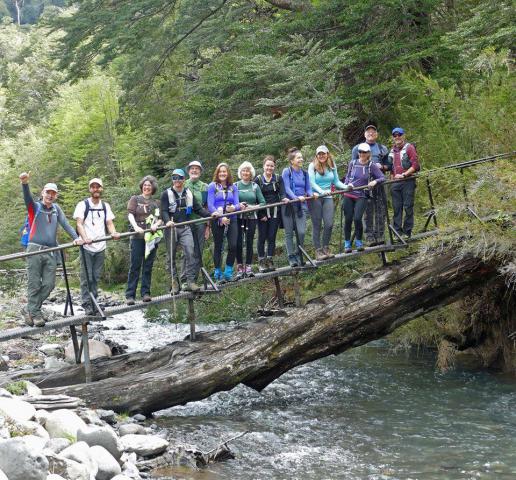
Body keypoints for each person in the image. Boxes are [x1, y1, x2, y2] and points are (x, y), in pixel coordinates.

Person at [19, 172, 83, 327]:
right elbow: (27, 199)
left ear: (56, 196)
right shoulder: (35, 207)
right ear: (43, 193)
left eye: (53, 193)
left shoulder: (56, 209)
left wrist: (76, 238)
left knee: (49, 284)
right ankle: (35, 313)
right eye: (48, 192)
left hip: (50, 251)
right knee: (34, 284)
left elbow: (66, 224)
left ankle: (29, 309)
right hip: (34, 249)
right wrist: (25, 183)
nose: (50, 195)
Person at [161, 168, 213, 293]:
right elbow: (163, 210)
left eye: (179, 178)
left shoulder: (188, 192)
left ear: (184, 179)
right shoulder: (166, 194)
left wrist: (211, 215)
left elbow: (198, 209)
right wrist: (168, 221)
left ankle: (190, 281)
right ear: (172, 180)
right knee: (171, 256)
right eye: (174, 178)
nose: (177, 180)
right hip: (171, 229)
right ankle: (174, 283)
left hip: (185, 228)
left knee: (190, 252)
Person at [74, 178, 120, 316]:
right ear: (90, 189)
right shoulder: (83, 205)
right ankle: (87, 303)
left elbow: (109, 223)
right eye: (93, 187)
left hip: (101, 246)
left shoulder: (105, 206)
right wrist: (85, 238)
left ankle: (94, 302)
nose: (95, 189)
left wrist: (113, 233)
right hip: (87, 247)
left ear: (101, 189)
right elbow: (79, 223)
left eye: (98, 187)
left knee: (96, 276)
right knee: (86, 277)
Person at [125, 175, 162, 305]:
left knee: (148, 266)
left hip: (151, 238)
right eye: (145, 185)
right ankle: (130, 295)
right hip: (137, 237)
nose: (147, 187)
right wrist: (135, 227)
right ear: (142, 186)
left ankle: (145, 293)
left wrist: (155, 225)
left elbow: (160, 217)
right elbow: (130, 214)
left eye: (149, 185)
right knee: (135, 265)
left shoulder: (156, 203)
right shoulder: (135, 199)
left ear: (153, 188)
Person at [342, 143, 385, 253]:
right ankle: (347, 244)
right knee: (348, 219)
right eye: (360, 152)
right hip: (349, 193)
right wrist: (347, 185)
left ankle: (359, 242)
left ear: (368, 153)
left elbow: (382, 177)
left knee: (357, 218)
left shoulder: (371, 165)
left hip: (362, 195)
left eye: (364, 152)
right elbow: (348, 176)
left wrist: (374, 181)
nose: (362, 154)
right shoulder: (353, 163)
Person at [351, 125, 390, 246]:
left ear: (376, 134)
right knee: (367, 211)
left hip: (379, 182)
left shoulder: (382, 148)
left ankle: (380, 235)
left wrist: (381, 167)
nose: (371, 133)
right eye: (368, 132)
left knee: (381, 209)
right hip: (364, 185)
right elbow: (353, 166)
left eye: (373, 132)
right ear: (364, 134)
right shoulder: (357, 148)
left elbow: (388, 166)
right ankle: (369, 237)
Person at [308, 145, 347, 260]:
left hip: (328, 197)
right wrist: (321, 191)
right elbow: (312, 182)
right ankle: (318, 251)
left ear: (327, 154)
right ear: (316, 155)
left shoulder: (332, 165)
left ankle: (326, 247)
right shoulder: (312, 166)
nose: (321, 156)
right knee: (317, 224)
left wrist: (346, 187)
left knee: (329, 224)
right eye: (319, 154)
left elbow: (336, 182)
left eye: (323, 153)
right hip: (315, 197)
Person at [207, 163, 242, 282]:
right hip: (218, 219)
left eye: (224, 171)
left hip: (232, 219)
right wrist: (220, 217)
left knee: (233, 245)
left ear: (228, 173)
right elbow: (210, 205)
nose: (222, 174)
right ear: (217, 173)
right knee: (218, 246)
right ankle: (218, 273)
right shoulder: (212, 186)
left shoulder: (233, 187)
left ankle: (228, 272)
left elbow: (238, 204)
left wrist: (234, 208)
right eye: (220, 172)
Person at [281, 148, 316, 267]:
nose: (301, 159)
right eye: (298, 158)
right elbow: (286, 188)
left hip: (301, 206)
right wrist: (296, 197)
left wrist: (312, 195)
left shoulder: (305, 173)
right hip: (289, 206)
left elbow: (308, 188)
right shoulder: (287, 171)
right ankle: (291, 257)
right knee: (289, 233)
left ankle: (298, 253)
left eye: (301, 157)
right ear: (292, 161)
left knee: (301, 232)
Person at [254, 155, 288, 272]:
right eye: (267, 165)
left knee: (272, 236)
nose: (269, 168)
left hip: (275, 211)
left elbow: (282, 192)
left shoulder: (278, 178)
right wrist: (260, 214)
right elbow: (255, 198)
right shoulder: (258, 179)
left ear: (274, 167)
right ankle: (261, 261)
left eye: (272, 166)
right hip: (262, 212)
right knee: (262, 236)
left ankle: (270, 259)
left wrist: (284, 198)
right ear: (263, 166)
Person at [387, 127, 420, 239]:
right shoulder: (392, 151)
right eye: (395, 136)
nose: (397, 137)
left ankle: (407, 231)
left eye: (399, 135)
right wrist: (391, 181)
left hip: (408, 181)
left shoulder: (409, 148)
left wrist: (404, 175)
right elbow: (391, 169)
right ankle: (397, 233)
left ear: (403, 136)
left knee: (408, 206)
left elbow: (415, 166)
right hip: (395, 183)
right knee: (396, 208)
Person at [235, 161, 266, 278]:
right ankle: (239, 268)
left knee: (249, 242)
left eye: (247, 170)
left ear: (251, 172)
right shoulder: (235, 186)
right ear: (240, 172)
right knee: (238, 242)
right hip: (238, 217)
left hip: (252, 217)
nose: (245, 172)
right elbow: (231, 202)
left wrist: (253, 207)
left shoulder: (255, 186)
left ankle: (248, 267)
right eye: (243, 170)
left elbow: (263, 202)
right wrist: (239, 205)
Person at [184, 160, 210, 283]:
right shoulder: (182, 185)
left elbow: (206, 206)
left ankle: (193, 280)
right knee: (187, 250)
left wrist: (208, 226)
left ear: (200, 171)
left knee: (198, 251)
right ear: (188, 171)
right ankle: (184, 280)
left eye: (197, 169)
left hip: (200, 222)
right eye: (192, 168)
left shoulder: (205, 186)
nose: (194, 170)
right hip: (185, 224)